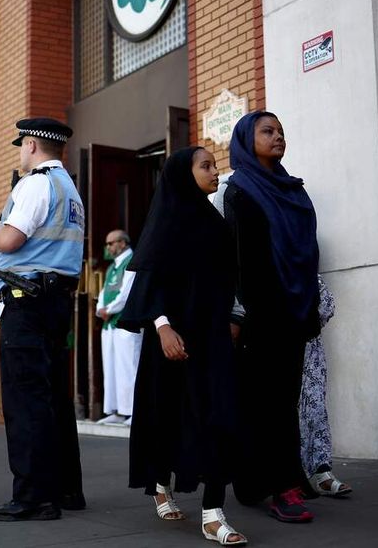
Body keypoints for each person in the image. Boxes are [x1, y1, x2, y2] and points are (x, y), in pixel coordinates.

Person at [118, 147, 247, 546]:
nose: (215, 171)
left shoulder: (217, 223)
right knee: (168, 417)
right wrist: (162, 327)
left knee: (219, 416)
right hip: (172, 339)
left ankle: (212, 513)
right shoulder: (166, 222)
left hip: (212, 338)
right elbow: (149, 282)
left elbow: (232, 277)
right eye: (205, 166)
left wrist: (234, 318)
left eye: (214, 165)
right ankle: (160, 483)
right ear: (181, 174)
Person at [0, 117, 85, 522]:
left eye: (21, 145)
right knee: (54, 397)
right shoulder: (70, 190)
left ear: (31, 145)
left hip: (27, 303)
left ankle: (33, 497)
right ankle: (65, 489)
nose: (20, 152)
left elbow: (11, 239)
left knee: (25, 401)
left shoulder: (35, 184)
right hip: (56, 302)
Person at [223, 111, 320, 523]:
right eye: (267, 131)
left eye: (280, 131)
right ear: (247, 139)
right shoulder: (240, 190)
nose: (277, 136)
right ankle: (281, 489)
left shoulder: (293, 190)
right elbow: (239, 260)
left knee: (285, 400)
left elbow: (308, 250)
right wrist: (239, 314)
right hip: (261, 315)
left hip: (295, 309)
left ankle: (269, 480)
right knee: (266, 403)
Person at [300, 275, 352, 498]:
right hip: (277, 349)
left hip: (309, 351)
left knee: (315, 412)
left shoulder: (309, 271)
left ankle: (322, 472)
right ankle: (291, 478)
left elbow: (327, 304)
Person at [95, 229, 139, 426]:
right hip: (110, 324)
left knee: (128, 367)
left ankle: (132, 410)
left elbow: (126, 293)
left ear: (123, 243)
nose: (108, 248)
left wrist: (109, 309)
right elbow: (104, 292)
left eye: (111, 243)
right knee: (112, 367)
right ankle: (116, 410)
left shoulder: (132, 261)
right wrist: (101, 309)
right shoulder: (113, 266)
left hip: (125, 324)